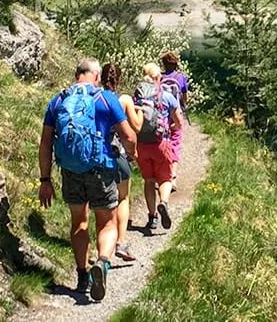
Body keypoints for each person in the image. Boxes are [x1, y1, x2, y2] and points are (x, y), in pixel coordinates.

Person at [37, 58, 136, 302]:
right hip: (101, 168)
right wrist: (130, 156)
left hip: (70, 170)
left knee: (78, 222)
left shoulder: (58, 100)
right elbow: (129, 136)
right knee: (107, 222)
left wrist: (45, 180)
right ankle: (102, 263)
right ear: (97, 76)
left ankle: (82, 276)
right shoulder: (105, 98)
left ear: (76, 74)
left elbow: (45, 143)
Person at [101, 63, 143, 262]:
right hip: (117, 155)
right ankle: (121, 242)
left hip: (97, 156)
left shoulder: (95, 98)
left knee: (101, 202)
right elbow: (135, 128)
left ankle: (101, 246)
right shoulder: (123, 99)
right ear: (119, 79)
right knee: (123, 197)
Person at [135, 63, 184, 232]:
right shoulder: (166, 95)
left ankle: (152, 217)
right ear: (158, 78)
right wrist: (172, 129)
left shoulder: (138, 97)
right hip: (160, 143)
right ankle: (163, 202)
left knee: (149, 180)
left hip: (142, 145)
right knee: (165, 178)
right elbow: (179, 122)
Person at [159, 52, 190, 186]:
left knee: (163, 142)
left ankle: (162, 175)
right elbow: (184, 95)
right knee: (175, 143)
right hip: (176, 114)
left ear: (164, 64)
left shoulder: (159, 77)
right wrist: (184, 105)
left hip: (163, 115)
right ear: (176, 64)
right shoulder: (180, 77)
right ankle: (173, 177)